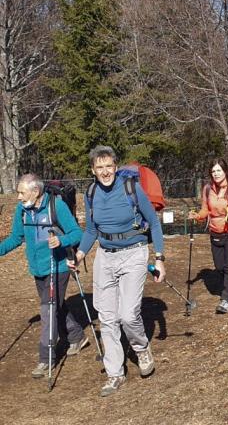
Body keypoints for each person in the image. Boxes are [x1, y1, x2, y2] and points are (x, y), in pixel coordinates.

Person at [69, 146, 166, 397]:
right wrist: (80, 255)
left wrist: (159, 258)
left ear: (115, 166)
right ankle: (115, 373)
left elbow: (153, 223)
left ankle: (141, 347)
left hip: (134, 252)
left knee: (128, 314)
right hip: (105, 256)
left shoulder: (131, 188)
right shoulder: (91, 193)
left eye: (108, 166)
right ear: (92, 170)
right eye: (99, 167)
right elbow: (91, 230)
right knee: (107, 318)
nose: (105, 172)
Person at [0, 174, 88, 379]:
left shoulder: (56, 206)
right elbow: (15, 238)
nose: (19, 197)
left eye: (22, 192)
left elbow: (77, 234)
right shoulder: (22, 210)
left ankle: (45, 358)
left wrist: (61, 240)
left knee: (48, 309)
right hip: (38, 269)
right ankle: (77, 336)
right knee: (55, 305)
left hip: (57, 267)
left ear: (36, 191)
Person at [188, 158, 228, 314]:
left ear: (225, 171)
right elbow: (205, 210)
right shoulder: (207, 189)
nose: (215, 173)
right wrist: (197, 216)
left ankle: (227, 299)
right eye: (213, 171)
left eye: (218, 170)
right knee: (219, 266)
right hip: (215, 231)